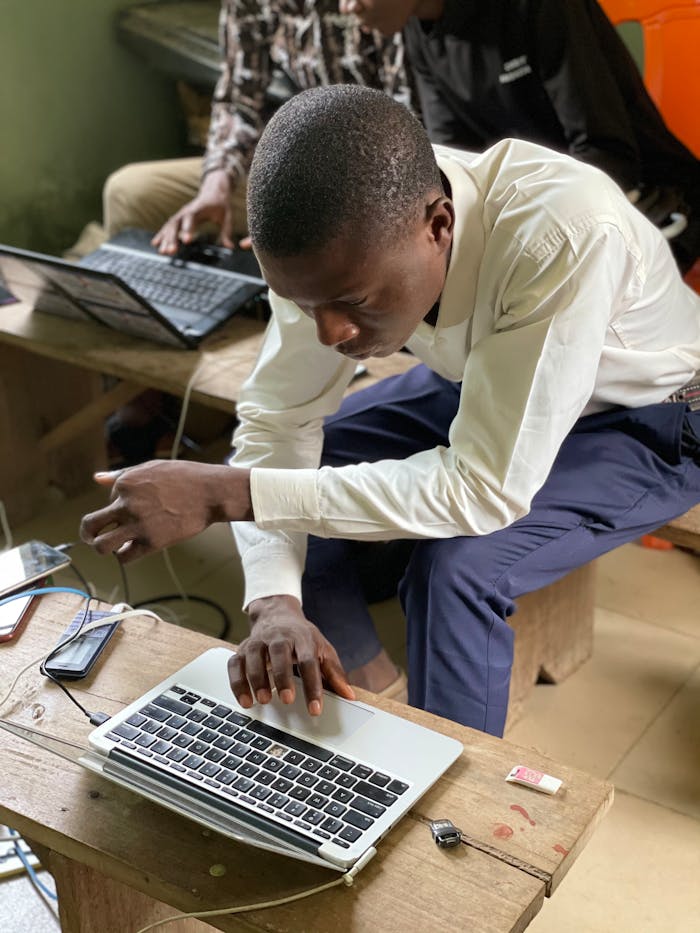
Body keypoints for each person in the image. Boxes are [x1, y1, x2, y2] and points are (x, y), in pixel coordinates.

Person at [80, 85, 700, 737]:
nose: (329, 333)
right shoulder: (343, 239)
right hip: (486, 377)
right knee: (296, 475)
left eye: (352, 302)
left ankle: (451, 802)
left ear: (439, 226)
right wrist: (273, 602)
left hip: (654, 415)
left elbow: (484, 490)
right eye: (301, 302)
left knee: (456, 570)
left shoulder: (563, 233)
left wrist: (223, 493)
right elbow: (278, 420)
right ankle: (375, 705)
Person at [340, 0, 700, 273]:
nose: (348, 7)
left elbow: (607, 155)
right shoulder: (419, 29)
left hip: (650, 208)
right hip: (536, 221)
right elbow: (457, 167)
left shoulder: (540, 7)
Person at [102, 0, 412, 255]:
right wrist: (216, 187)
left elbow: (408, 124)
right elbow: (239, 101)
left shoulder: (379, 8)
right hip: (295, 173)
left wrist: (323, 203)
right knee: (129, 193)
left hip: (378, 184)